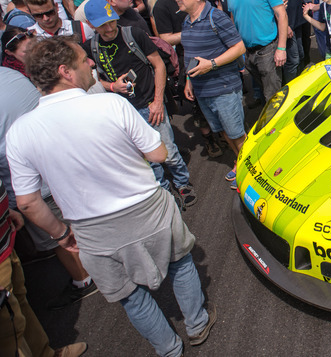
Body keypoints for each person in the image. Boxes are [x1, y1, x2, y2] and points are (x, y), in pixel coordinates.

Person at [7, 37, 215, 357]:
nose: (91, 63)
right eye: (82, 60)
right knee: (180, 262)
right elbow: (158, 153)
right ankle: (197, 324)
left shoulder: (20, 132)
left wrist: (62, 234)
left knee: (129, 295)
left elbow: (27, 202)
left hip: (91, 228)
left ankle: (168, 349)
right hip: (147, 208)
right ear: (66, 72)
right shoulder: (110, 104)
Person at [0, 67, 88, 357]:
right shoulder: (9, 75)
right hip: (60, 163)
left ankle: (84, 278)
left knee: (59, 235)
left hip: (31, 184)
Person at [82, 0, 196, 208]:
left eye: (111, 22)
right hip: (124, 112)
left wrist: (158, 101)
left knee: (168, 150)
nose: (108, 29)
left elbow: (158, 65)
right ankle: (164, 192)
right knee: (147, 158)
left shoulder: (133, 34)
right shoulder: (91, 47)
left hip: (150, 103)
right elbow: (92, 80)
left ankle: (182, 182)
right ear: (90, 25)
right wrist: (112, 87)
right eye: (102, 25)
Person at [171, 0, 246, 189]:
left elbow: (239, 48)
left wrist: (211, 64)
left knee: (237, 134)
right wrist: (189, 81)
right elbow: (191, 54)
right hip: (203, 90)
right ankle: (239, 163)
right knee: (223, 131)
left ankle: (251, 171)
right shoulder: (187, 20)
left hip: (223, 87)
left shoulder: (217, 18)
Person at [224, 0, 288, 105]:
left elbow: (281, 14)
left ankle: (276, 127)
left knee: (273, 97)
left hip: (268, 49)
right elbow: (234, 15)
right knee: (265, 91)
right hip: (246, 51)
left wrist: (281, 48)